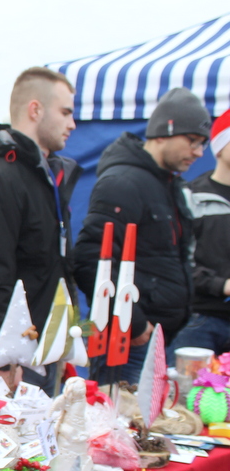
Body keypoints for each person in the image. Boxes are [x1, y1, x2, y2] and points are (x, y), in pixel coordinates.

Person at [0, 67, 80, 396]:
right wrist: (4, 355)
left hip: (38, 354)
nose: (72, 124)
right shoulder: (0, 180)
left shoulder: (44, 180)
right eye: (65, 112)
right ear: (35, 110)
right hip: (7, 362)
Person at [73, 87, 208, 381]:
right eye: (193, 141)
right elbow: (90, 259)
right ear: (164, 132)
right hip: (128, 342)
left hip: (159, 337)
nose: (199, 152)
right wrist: (132, 323)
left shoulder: (169, 184)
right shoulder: (123, 183)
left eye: (203, 144)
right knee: (120, 423)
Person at [169, 109, 230, 356]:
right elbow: (176, 261)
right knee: (187, 393)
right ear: (220, 147)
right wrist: (222, 285)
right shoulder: (190, 196)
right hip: (199, 319)